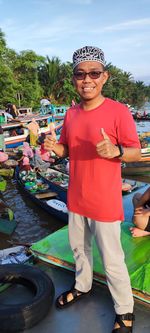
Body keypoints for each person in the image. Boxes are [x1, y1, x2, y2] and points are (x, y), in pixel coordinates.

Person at [44, 46, 141, 333]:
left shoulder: (118, 111)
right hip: (76, 198)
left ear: (104, 76)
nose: (87, 79)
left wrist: (116, 150)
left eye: (94, 73)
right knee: (79, 251)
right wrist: (54, 148)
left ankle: (124, 310)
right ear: (73, 79)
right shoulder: (71, 114)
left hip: (104, 202)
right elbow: (66, 149)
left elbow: (135, 152)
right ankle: (82, 286)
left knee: (112, 260)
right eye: (80, 74)